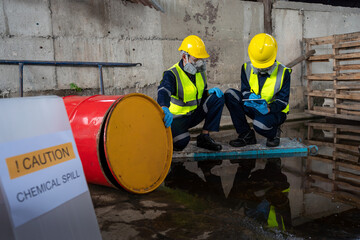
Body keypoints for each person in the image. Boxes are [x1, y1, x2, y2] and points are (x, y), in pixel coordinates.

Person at [157, 35, 224, 151]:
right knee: (182, 141)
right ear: (184, 57)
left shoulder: (199, 73)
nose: (200, 63)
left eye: (201, 60)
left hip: (193, 115)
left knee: (217, 98)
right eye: (196, 60)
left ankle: (204, 136)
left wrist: (208, 93)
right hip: (176, 118)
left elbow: (199, 94)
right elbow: (164, 90)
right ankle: (166, 139)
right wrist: (163, 107)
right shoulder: (172, 74)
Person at [225, 33, 291, 147]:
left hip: (273, 112)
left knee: (260, 125)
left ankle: (274, 133)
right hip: (253, 106)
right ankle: (246, 135)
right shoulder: (246, 68)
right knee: (230, 94)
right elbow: (244, 90)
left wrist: (269, 108)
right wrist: (250, 96)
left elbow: (283, 101)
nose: (260, 68)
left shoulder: (284, 72)